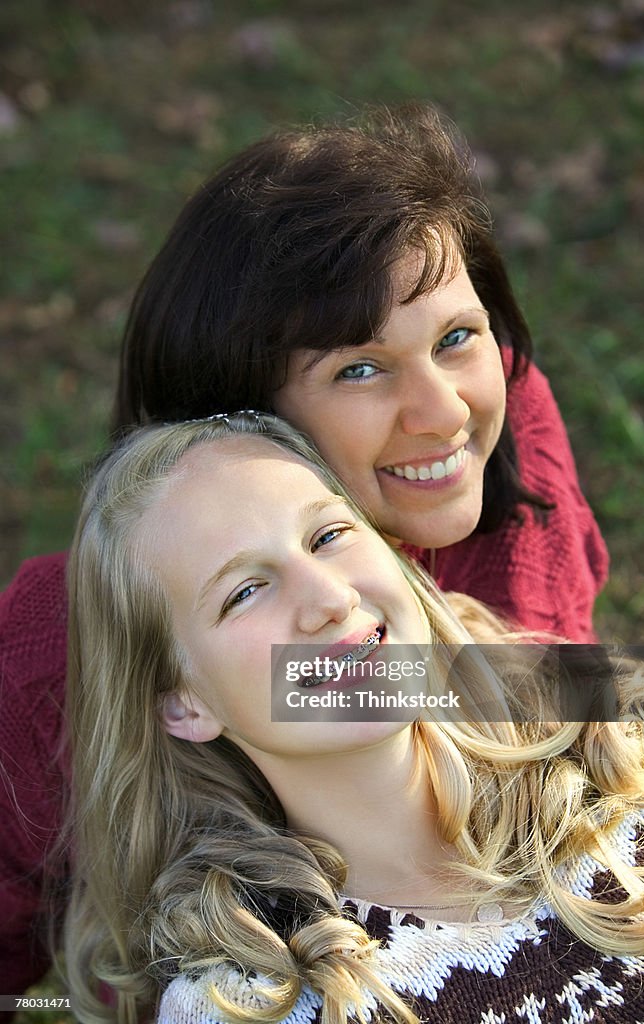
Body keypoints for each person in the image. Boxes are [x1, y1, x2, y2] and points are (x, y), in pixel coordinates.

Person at [1, 104, 609, 992]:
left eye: (456, 338)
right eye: (357, 368)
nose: (445, 412)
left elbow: (568, 689)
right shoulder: (56, 655)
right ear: (233, 418)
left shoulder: (506, 428)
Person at [65, 413, 644, 1024]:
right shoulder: (250, 1005)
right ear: (183, 703)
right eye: (245, 591)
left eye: (327, 536)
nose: (331, 599)